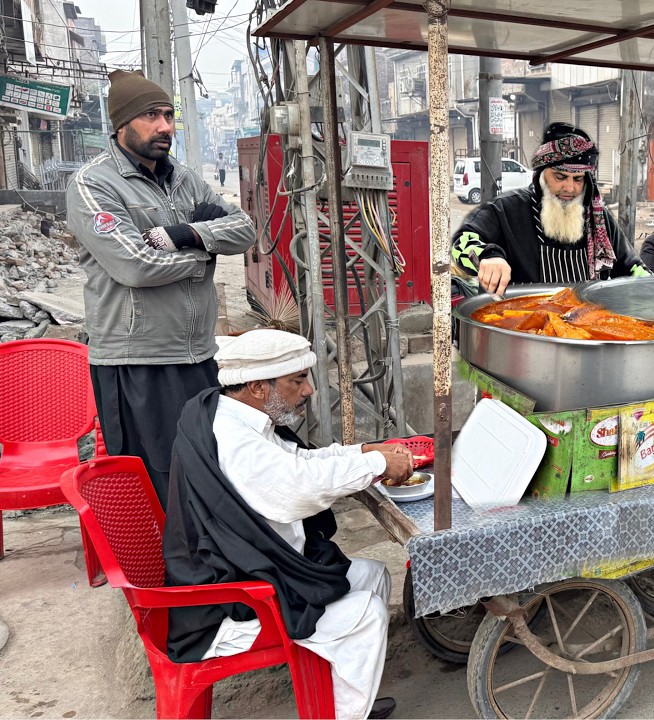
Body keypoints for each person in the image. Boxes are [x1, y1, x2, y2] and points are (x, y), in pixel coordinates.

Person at [163, 329, 414, 720]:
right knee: (366, 613)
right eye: (297, 380)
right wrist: (378, 464)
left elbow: (301, 461)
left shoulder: (237, 414)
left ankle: (338, 703)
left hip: (265, 572)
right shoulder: (235, 440)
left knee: (374, 576)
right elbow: (299, 488)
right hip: (234, 600)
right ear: (260, 387)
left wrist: (365, 451)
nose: (310, 390)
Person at [65, 69, 255, 507]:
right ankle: (169, 571)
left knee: (207, 469)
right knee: (160, 480)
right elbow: (134, 265)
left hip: (197, 354)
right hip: (139, 360)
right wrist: (207, 252)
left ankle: (211, 567)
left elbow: (244, 229)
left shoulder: (185, 178)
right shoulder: (93, 184)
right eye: (152, 115)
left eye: (169, 114)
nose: (165, 126)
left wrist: (184, 234)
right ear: (122, 124)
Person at [451, 122, 648, 296]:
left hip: (585, 329)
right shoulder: (507, 210)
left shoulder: (598, 220)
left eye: (578, 179)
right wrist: (488, 256)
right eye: (560, 177)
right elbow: (461, 244)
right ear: (541, 175)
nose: (570, 188)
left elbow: (632, 268)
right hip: (522, 328)